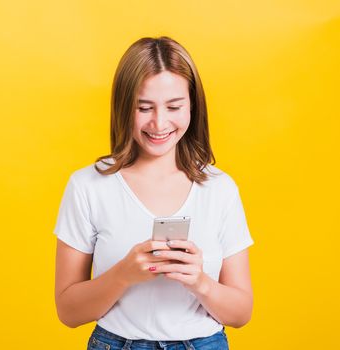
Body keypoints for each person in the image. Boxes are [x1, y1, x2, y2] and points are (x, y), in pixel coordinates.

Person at [53, 36, 254, 350]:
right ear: (123, 107)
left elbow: (241, 313)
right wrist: (124, 273)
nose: (159, 123)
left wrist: (199, 281)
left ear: (193, 105)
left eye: (174, 106)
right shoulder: (87, 186)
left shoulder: (219, 189)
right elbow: (68, 311)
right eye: (143, 108)